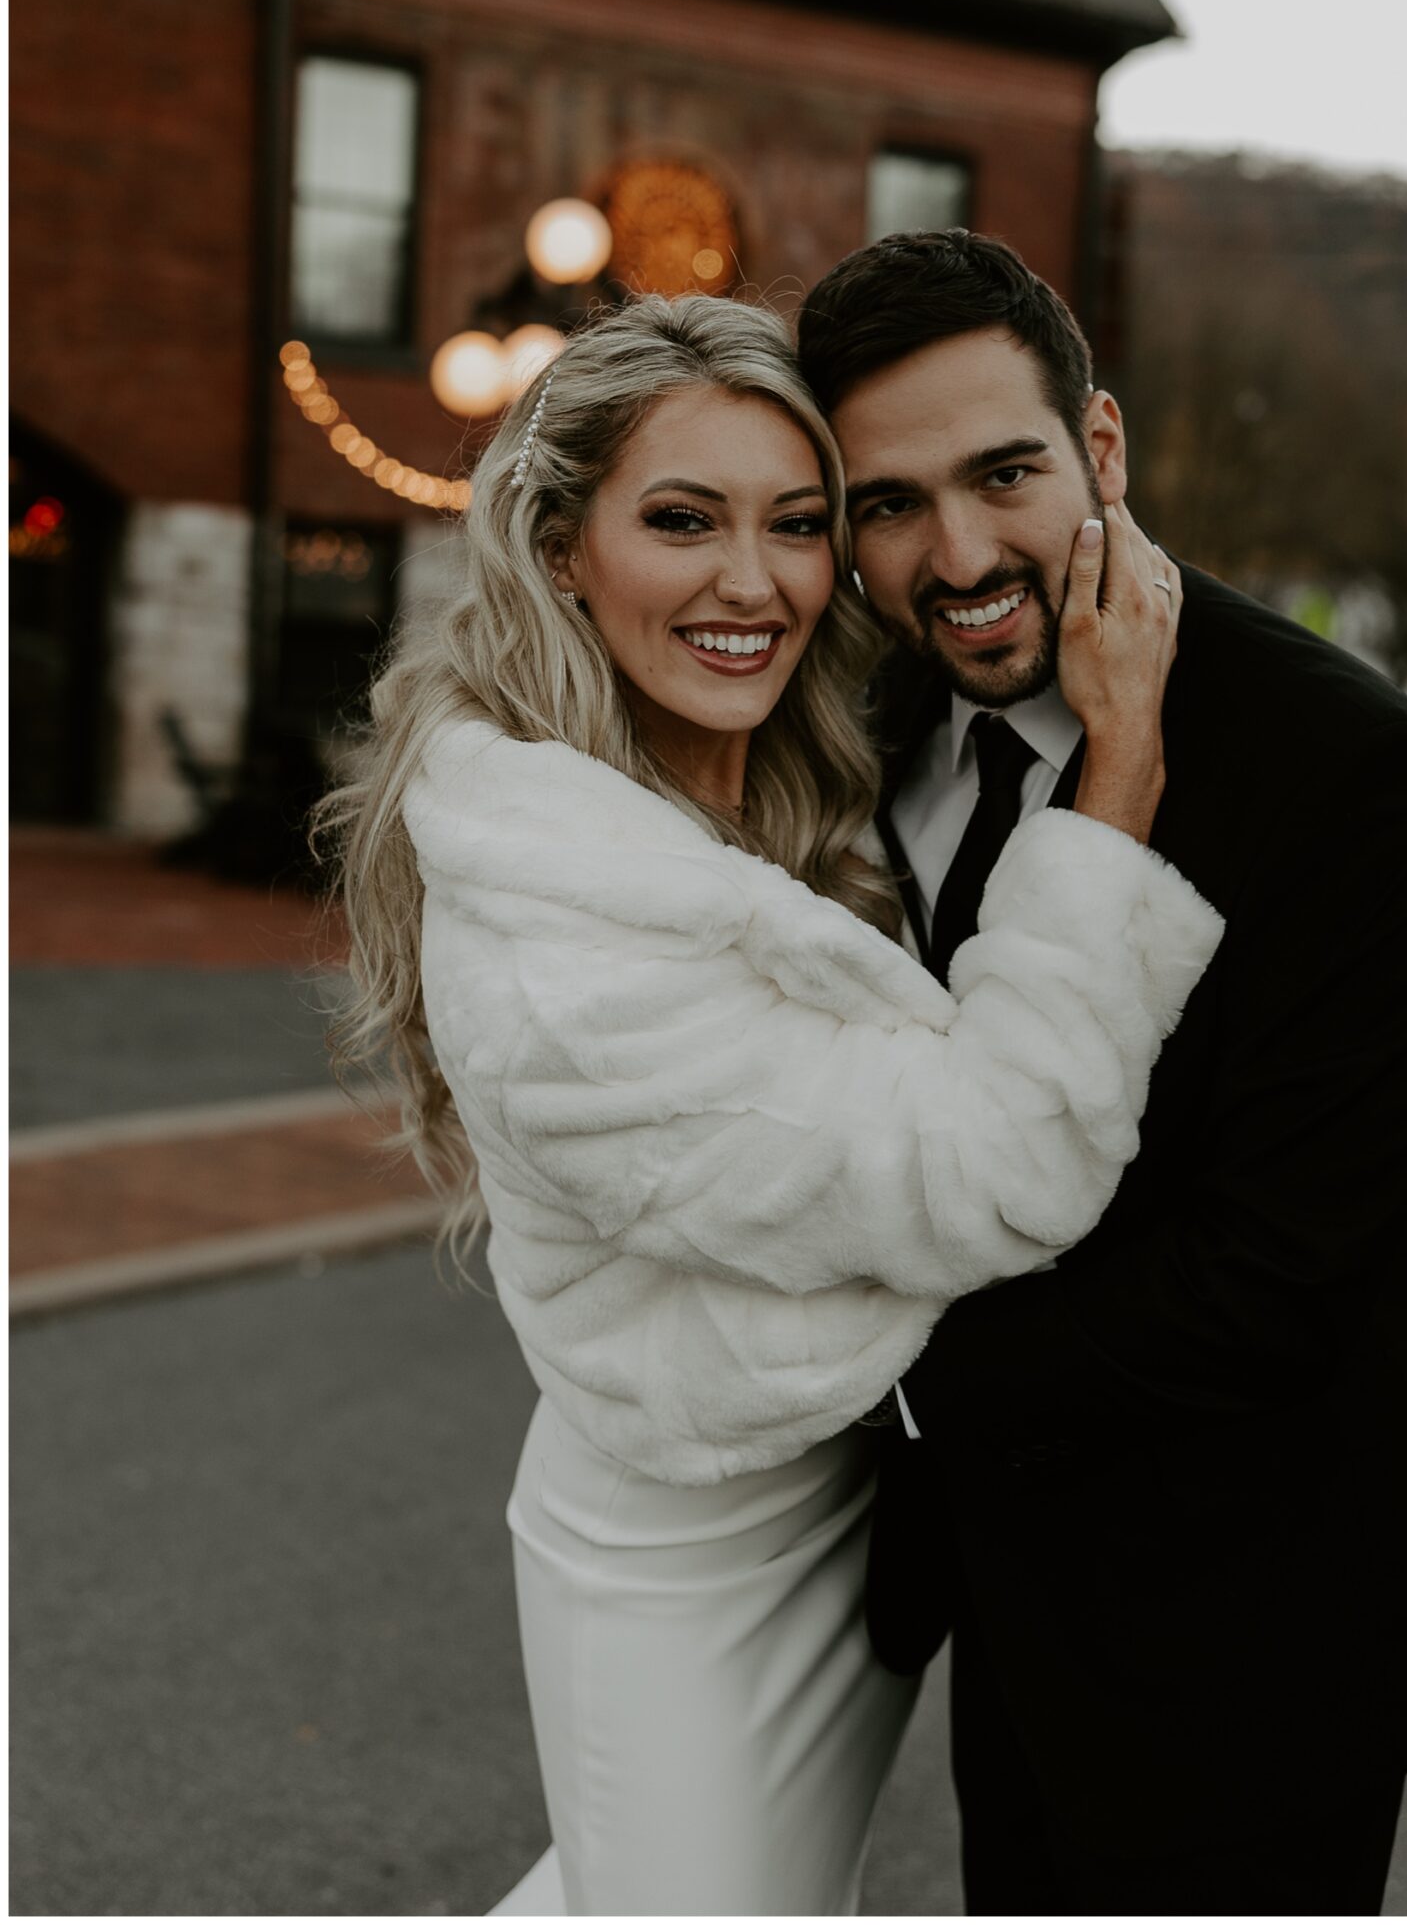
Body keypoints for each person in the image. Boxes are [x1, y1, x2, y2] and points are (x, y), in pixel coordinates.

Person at [319, 293, 1221, 1917]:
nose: (756, 583)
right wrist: (1123, 777)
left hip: (840, 1491)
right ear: (560, 544)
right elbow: (999, 1163)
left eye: (800, 525)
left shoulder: (775, 782)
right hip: (680, 1552)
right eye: (683, 521)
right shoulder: (565, 965)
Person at [794, 229, 1407, 1920]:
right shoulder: (869, 732)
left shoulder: (1354, 771)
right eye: (889, 503)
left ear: (1099, 449)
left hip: (1256, 1631)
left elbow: (1273, 1271)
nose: (957, 554)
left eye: (1005, 474)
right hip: (1003, 1607)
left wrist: (875, 1373)